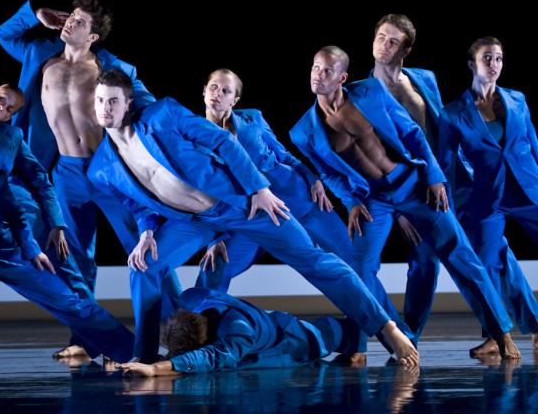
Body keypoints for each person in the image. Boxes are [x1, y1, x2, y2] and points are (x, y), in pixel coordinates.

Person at [87, 69, 419, 366]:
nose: (105, 109)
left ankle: (386, 329)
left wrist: (258, 188)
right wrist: (146, 233)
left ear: (128, 103)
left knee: (317, 261)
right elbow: (139, 204)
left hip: (242, 204)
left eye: (113, 101)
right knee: (144, 265)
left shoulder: (163, 114)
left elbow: (220, 140)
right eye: (100, 101)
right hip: (190, 221)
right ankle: (144, 354)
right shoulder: (101, 168)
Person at [289, 45, 520, 359]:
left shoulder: (370, 91)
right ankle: (375, 342)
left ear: (342, 77)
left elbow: (412, 133)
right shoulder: (303, 131)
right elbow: (329, 173)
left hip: (413, 186)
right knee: (359, 269)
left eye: (327, 70)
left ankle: (501, 333)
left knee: (460, 254)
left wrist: (434, 176)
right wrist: (351, 199)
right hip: (373, 200)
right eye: (315, 68)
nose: (318, 75)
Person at [0, 0, 171, 357]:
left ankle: (178, 327)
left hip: (109, 171)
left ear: (93, 36)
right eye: (70, 16)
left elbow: (152, 109)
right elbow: (4, 34)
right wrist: (34, 14)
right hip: (66, 172)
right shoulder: (40, 57)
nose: (70, 23)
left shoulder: (110, 68)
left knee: (144, 250)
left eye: (79, 21)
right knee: (72, 258)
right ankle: (86, 339)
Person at [0, 133, 134, 368]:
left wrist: (33, 251)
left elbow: (17, 218)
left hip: (2, 253)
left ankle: (131, 352)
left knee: (65, 299)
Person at [0, 83, 100, 356]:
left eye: (10, 108)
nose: (3, 107)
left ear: (9, 116)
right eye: (1, 99)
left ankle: (93, 340)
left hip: (16, 216)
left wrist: (57, 224)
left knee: (65, 268)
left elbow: (40, 181)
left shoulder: (11, 136)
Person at [196, 69, 352, 296]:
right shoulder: (194, 138)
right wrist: (214, 239)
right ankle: (203, 326)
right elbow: (204, 196)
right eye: (213, 87)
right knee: (213, 269)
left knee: (351, 260)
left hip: (298, 200)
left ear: (235, 99)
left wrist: (312, 178)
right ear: (204, 91)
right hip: (250, 218)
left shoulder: (253, 118)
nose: (218, 93)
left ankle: (390, 325)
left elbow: (284, 155)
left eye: (226, 90)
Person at [370, 14, 471, 342]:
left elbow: (439, 132)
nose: (384, 46)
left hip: (445, 181)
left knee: (485, 249)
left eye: (393, 41)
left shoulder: (423, 78)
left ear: (406, 50)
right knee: (424, 261)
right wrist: (401, 211)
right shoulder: (363, 95)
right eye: (381, 38)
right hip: (404, 192)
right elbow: (372, 158)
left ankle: (500, 331)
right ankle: (408, 336)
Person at [438, 37, 538, 355]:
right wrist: (450, 208)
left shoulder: (517, 100)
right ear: (472, 64)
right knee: (486, 264)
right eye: (487, 58)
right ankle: (496, 335)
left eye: (498, 59)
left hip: (528, 189)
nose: (493, 65)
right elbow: (446, 165)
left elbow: (533, 145)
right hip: (488, 197)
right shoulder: (453, 113)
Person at [117, 287, 362, 376]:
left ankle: (370, 331)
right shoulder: (197, 302)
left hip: (305, 339)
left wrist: (157, 368)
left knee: (343, 333)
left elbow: (211, 356)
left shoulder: (237, 332)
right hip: (274, 326)